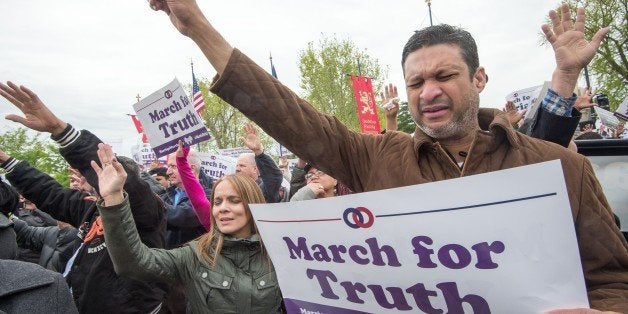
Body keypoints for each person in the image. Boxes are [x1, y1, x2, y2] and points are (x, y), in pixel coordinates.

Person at [147, 1, 627, 311]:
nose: (429, 92)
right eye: (416, 82)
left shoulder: (558, 167)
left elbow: (611, 280)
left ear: (479, 79)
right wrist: (198, 28)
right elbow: (288, 116)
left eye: (445, 75)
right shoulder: (377, 158)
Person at [0, 84, 169, 313]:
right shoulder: (93, 209)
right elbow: (51, 194)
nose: (83, 176)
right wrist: (7, 161)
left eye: (94, 171)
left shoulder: (146, 210)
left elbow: (131, 187)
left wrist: (61, 130)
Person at [92, 143, 283, 313]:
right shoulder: (196, 255)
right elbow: (133, 263)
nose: (223, 208)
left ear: (252, 205)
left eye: (234, 201)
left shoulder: (280, 255)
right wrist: (114, 198)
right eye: (217, 202)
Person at [0, 180, 78, 314]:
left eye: (63, 207)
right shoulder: (52, 233)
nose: (57, 211)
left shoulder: (82, 239)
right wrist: (6, 218)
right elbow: (27, 233)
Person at [163, 147, 211, 249]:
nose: (168, 172)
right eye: (168, 167)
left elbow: (181, 216)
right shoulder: (166, 196)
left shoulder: (210, 196)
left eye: (173, 166)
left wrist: (144, 196)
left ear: (191, 168)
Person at [235, 123, 283, 203]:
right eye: (237, 166)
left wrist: (258, 153)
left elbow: (273, 178)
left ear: (255, 169)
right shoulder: (232, 189)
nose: (237, 169)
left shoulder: (264, 189)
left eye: (242, 165)